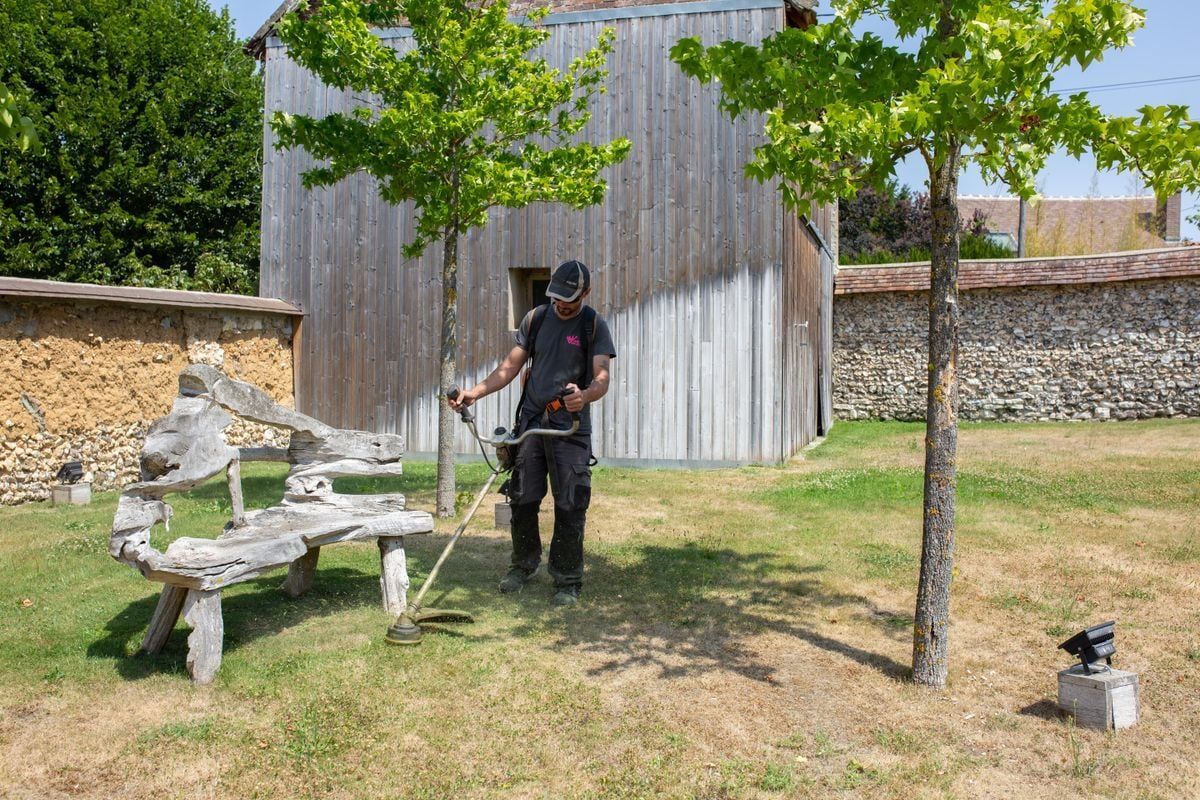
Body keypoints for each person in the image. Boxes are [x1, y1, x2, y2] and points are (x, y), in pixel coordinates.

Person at [449, 260, 615, 606]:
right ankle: (522, 566)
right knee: (523, 497)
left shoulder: (593, 325)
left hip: (569, 427)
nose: (561, 303)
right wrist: (473, 392)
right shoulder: (536, 318)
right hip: (532, 423)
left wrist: (584, 396)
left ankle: (567, 579)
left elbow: (602, 376)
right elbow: (510, 367)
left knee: (570, 502)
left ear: (586, 292)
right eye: (557, 296)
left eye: (569, 297)